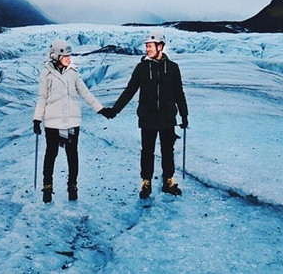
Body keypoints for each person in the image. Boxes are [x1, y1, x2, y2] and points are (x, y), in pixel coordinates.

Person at [103, 30, 189, 198]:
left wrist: (184, 115)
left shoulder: (172, 68)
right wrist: (115, 110)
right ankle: (146, 182)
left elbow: (179, 93)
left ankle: (168, 180)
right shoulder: (141, 68)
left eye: (150, 46)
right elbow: (130, 91)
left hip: (167, 117)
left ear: (160, 46)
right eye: (146, 46)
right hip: (147, 117)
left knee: (167, 151)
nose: (147, 49)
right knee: (147, 151)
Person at [33, 39, 110, 203]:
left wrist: (100, 109)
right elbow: (42, 98)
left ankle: (72, 186)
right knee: (51, 154)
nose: (69, 58)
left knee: (72, 154)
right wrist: (36, 119)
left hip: (71, 122)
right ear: (55, 56)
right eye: (65, 55)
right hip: (53, 122)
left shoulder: (73, 73)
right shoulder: (46, 74)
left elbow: (85, 93)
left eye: (69, 55)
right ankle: (47, 187)